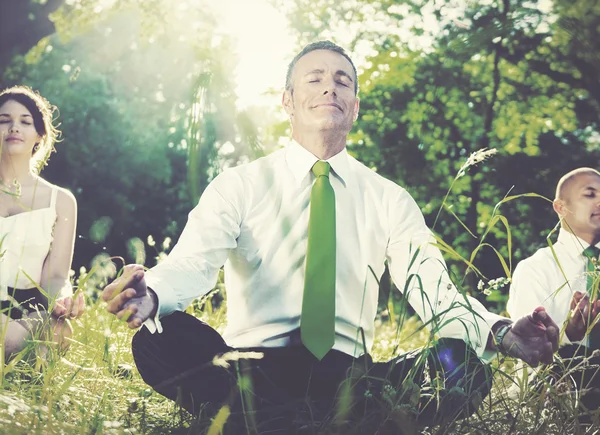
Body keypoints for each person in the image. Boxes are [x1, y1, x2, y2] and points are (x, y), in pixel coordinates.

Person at [103, 41, 558, 432]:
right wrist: (152, 295)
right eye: (314, 78)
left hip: (352, 378)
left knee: (465, 369)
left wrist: (501, 332)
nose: (329, 87)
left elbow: (436, 293)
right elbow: (193, 262)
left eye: (343, 80)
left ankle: (288, 424)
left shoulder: (389, 198)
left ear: (355, 106)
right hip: (250, 370)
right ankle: (310, 423)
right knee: (158, 338)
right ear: (287, 101)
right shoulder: (239, 184)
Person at [0, 85, 85, 361]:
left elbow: (56, 277)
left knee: (60, 330)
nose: (14, 127)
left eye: (25, 122)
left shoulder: (61, 200)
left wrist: (63, 301)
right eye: (4, 120)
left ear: (39, 134)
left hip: (27, 308)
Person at [508, 167, 600, 418]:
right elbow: (527, 351)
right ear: (561, 207)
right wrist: (570, 334)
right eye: (590, 194)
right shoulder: (535, 269)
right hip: (551, 396)